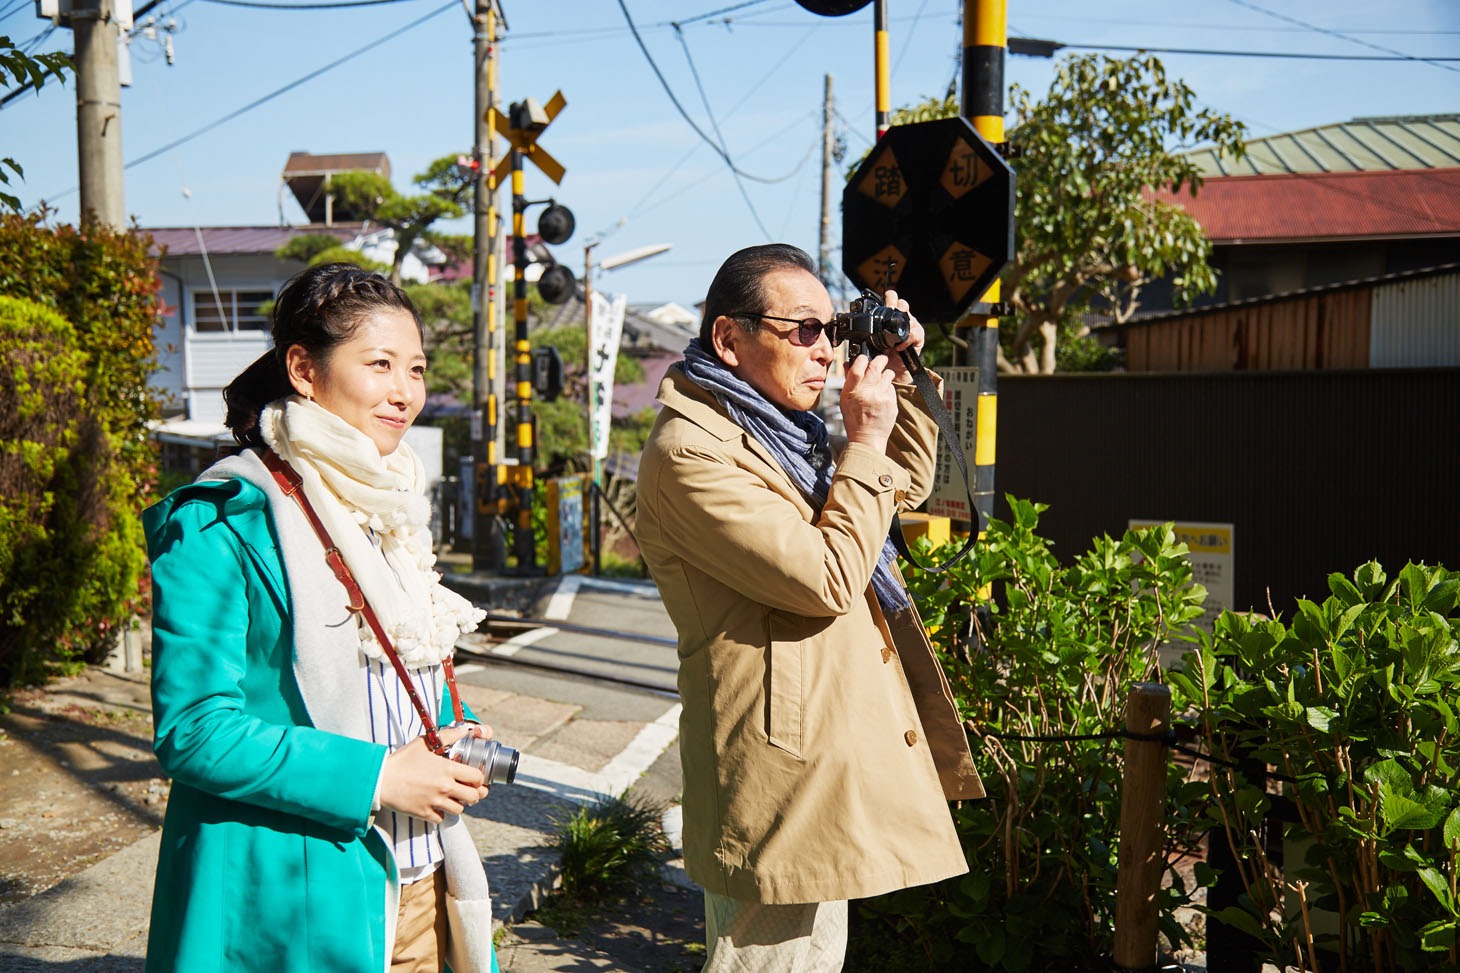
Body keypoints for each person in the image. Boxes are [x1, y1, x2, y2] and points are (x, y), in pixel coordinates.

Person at [636, 243, 986, 971]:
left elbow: (902, 485)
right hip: (778, 765)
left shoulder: (785, 437)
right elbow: (827, 576)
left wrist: (901, 378)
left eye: (833, 329)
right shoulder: (690, 453)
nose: (825, 349)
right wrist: (862, 437)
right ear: (729, 339)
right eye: (803, 329)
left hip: (825, 749)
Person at [143, 263, 499, 973]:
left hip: (425, 877)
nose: (405, 392)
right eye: (381, 364)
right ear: (304, 368)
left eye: (418, 369)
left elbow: (398, 672)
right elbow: (194, 730)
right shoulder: (223, 521)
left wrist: (450, 725)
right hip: (297, 898)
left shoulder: (389, 509)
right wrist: (376, 778)